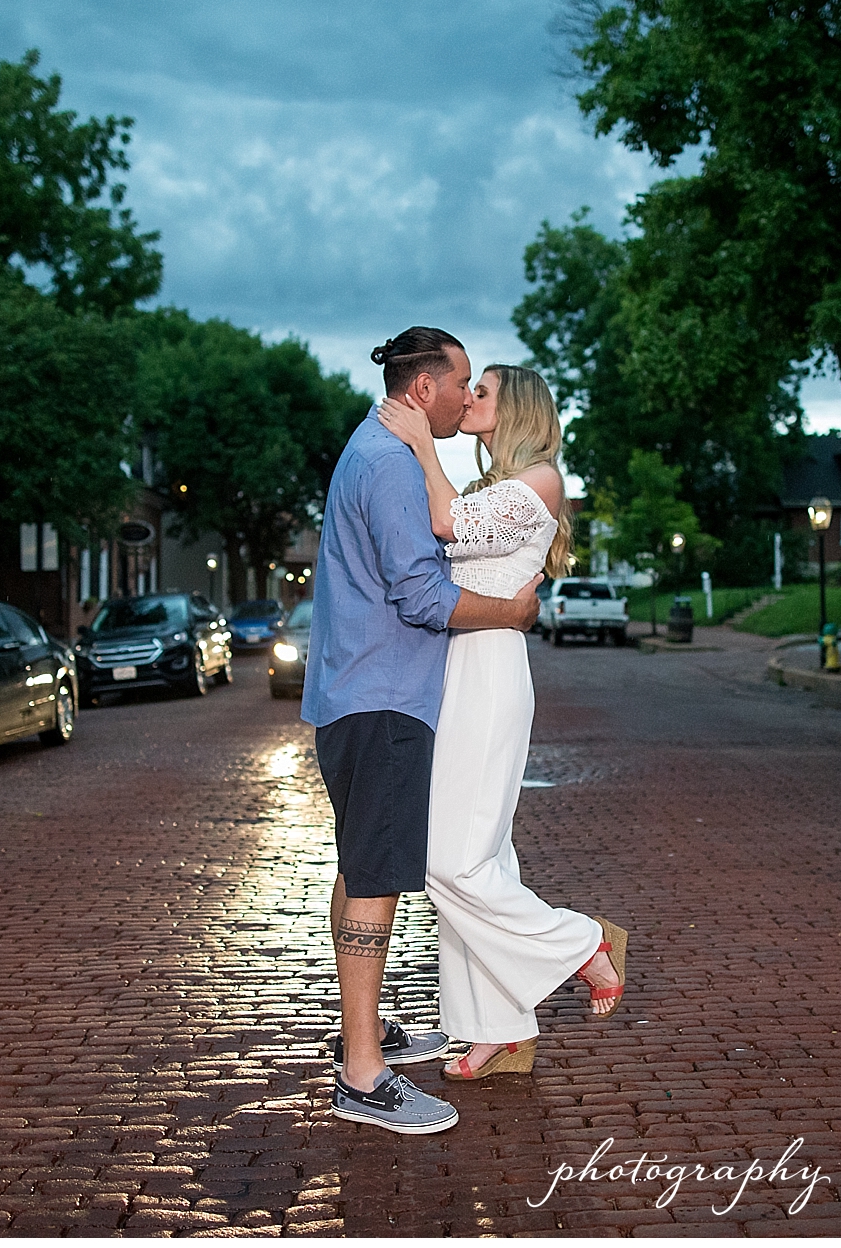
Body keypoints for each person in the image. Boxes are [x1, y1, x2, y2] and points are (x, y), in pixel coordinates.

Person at [303, 326, 542, 1136]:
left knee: (359, 864)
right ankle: (363, 1076)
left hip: (353, 694)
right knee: (375, 878)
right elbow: (422, 598)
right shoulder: (391, 466)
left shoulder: (372, 450)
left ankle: (364, 1036)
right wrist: (512, 612)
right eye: (461, 382)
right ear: (423, 389)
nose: (467, 395)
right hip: (384, 699)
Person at [377, 364, 627, 1082]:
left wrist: (424, 445)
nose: (468, 399)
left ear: (514, 408)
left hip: (490, 674)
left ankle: (581, 942)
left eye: (481, 391)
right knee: (479, 860)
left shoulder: (541, 479)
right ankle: (500, 1030)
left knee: (447, 861)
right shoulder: (497, 485)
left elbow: (446, 524)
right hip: (458, 670)